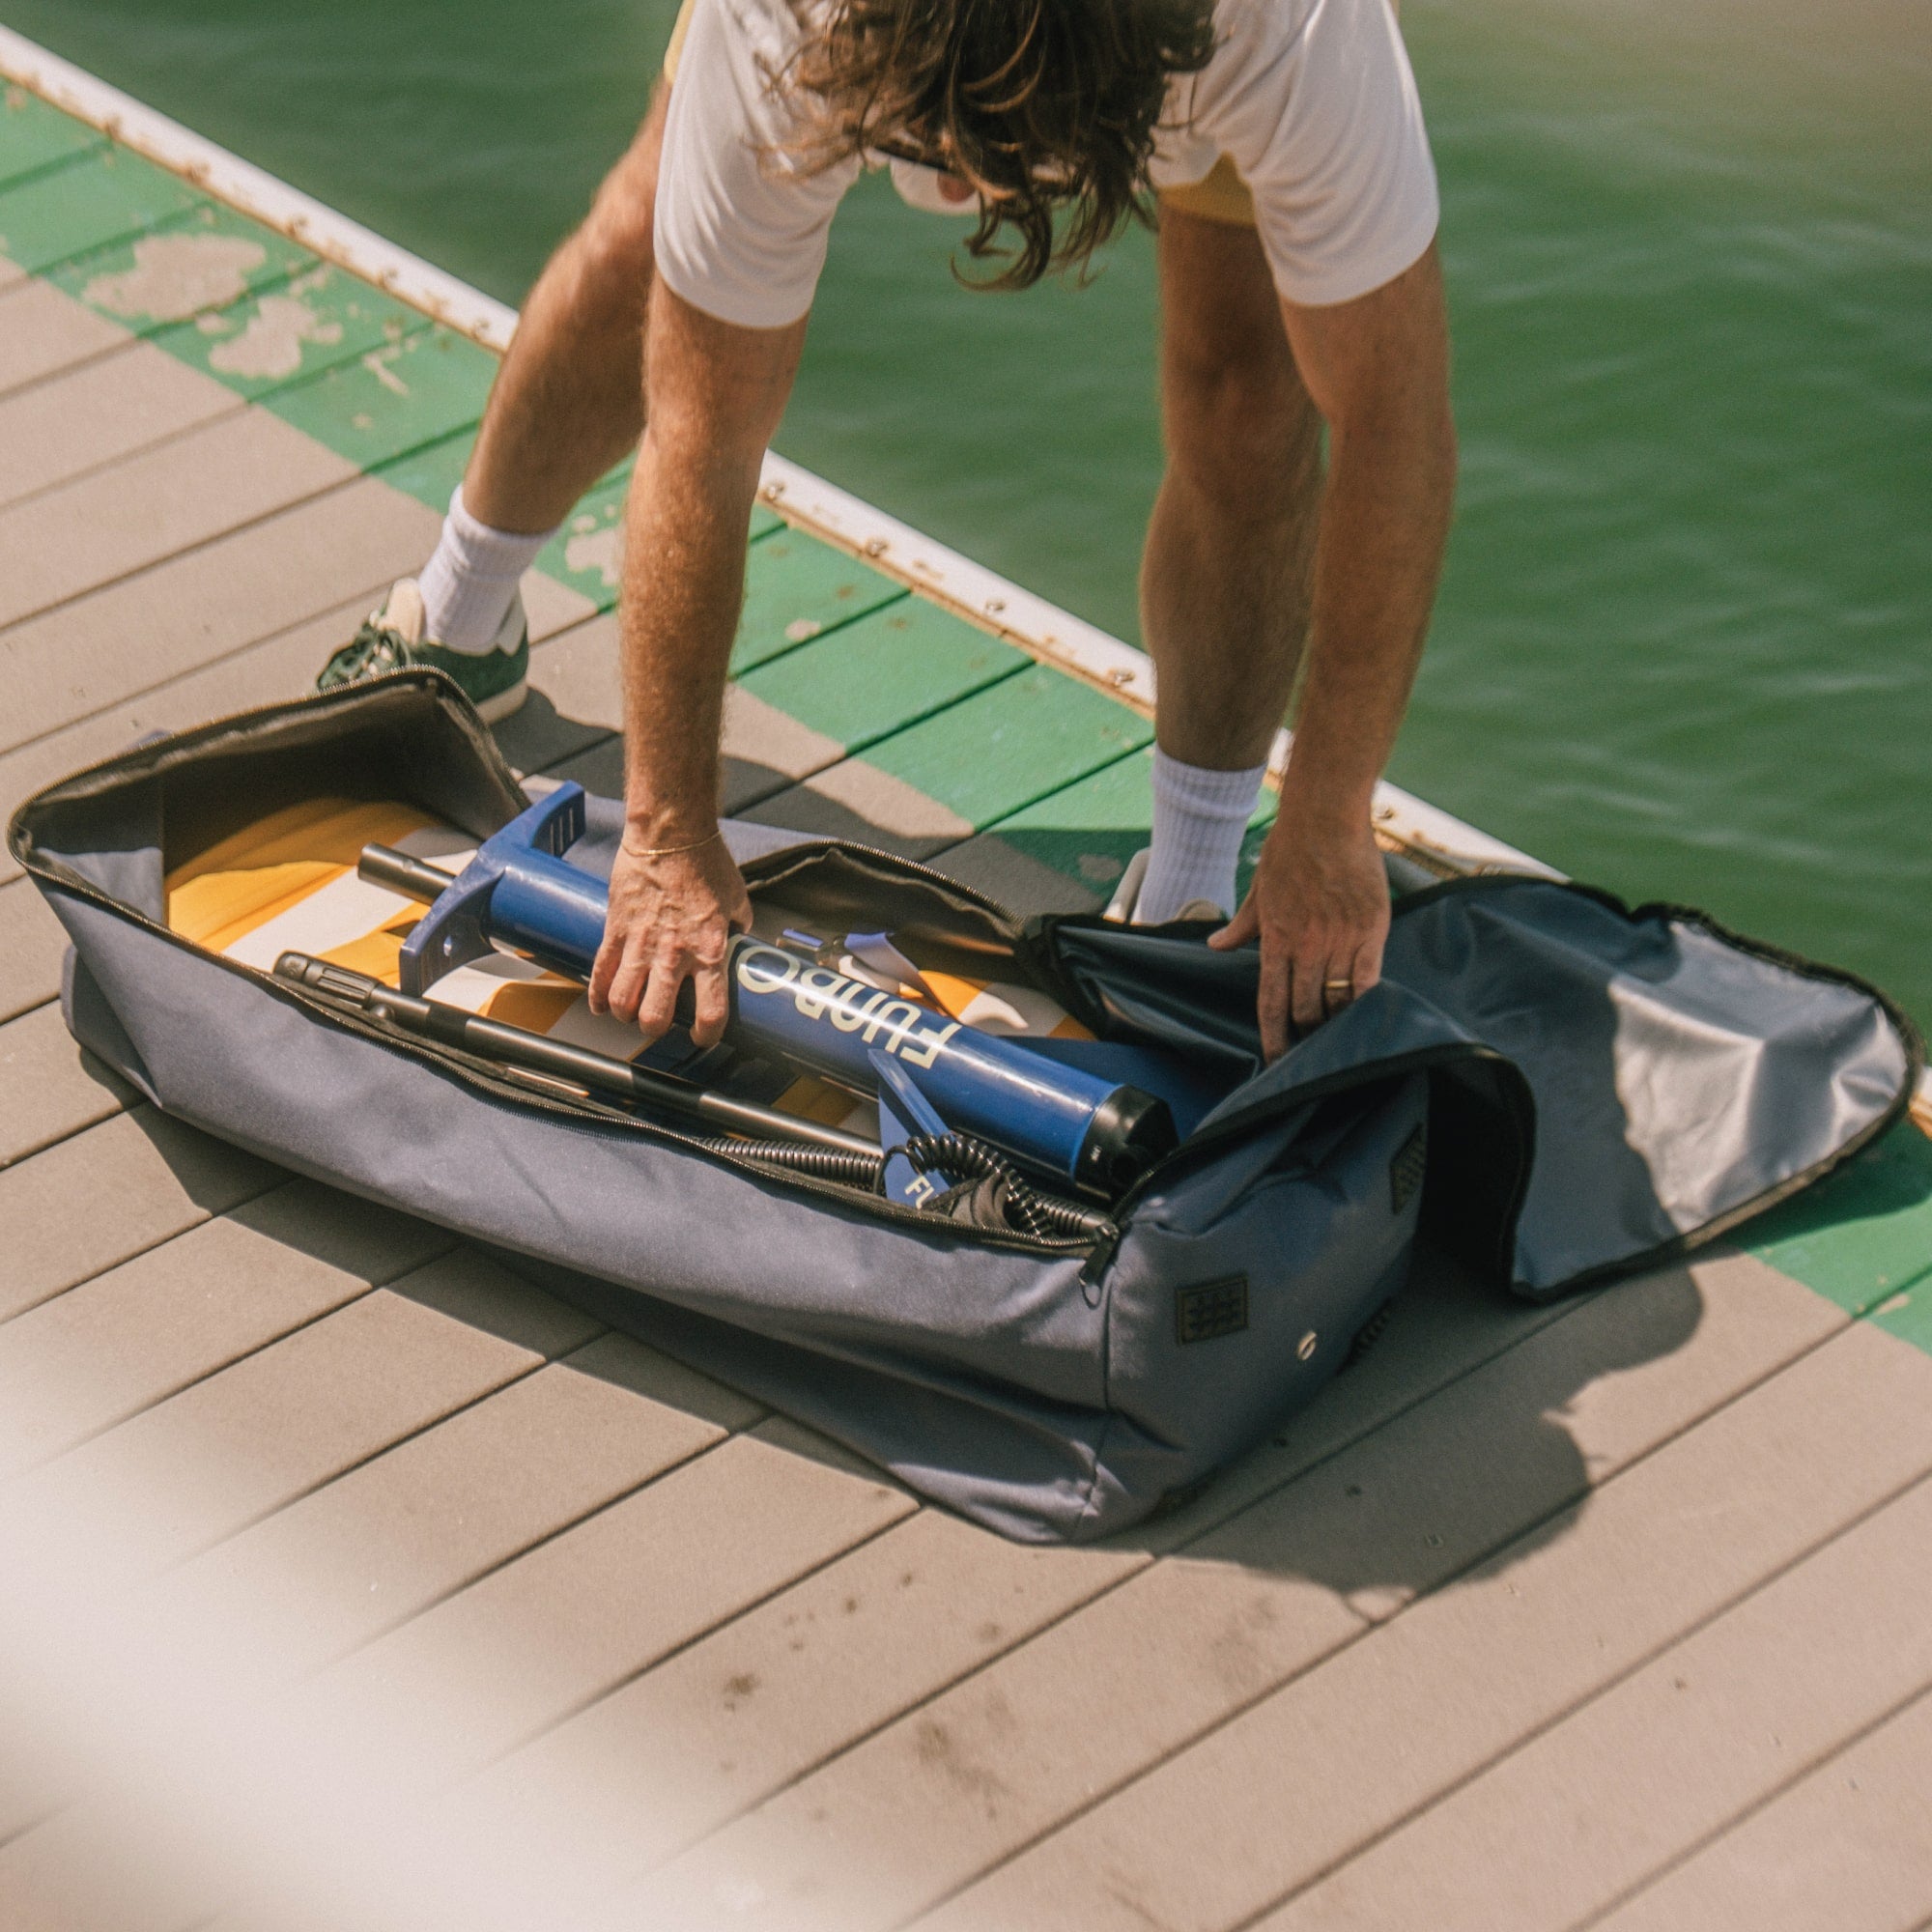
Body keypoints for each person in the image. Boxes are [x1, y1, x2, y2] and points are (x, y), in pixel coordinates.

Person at [315, 0, 1456, 1064]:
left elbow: (1390, 419)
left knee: (1249, 394)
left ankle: (1191, 890)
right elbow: (704, 432)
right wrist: (665, 832)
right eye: (944, 160)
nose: (968, 203)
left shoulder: (1285, 29)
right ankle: (461, 612)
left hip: (1156, 58)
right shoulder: (790, 22)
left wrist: (1326, 814)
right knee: (642, 261)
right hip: (886, 48)